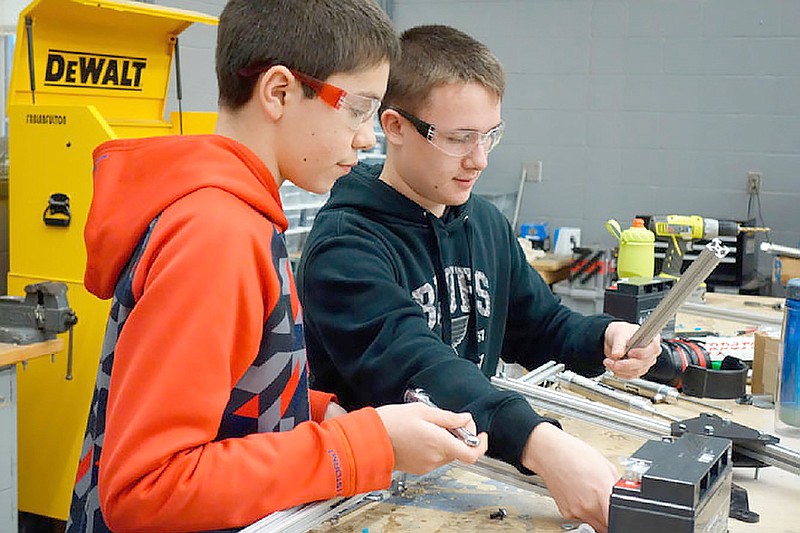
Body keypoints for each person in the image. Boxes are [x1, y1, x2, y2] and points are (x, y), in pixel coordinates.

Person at [66, 4, 488, 532]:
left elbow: (224, 393)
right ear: (279, 92)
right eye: (357, 109)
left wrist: (318, 415)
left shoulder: (240, 215)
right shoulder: (216, 234)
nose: (366, 137)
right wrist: (361, 447)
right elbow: (147, 489)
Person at [297, 25, 661, 533]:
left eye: (490, 134)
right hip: (364, 499)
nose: (481, 159)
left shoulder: (483, 222)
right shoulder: (346, 245)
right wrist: (544, 446)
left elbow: (541, 326)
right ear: (395, 127)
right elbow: (420, 370)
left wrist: (605, 336)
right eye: (459, 139)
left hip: (462, 470)